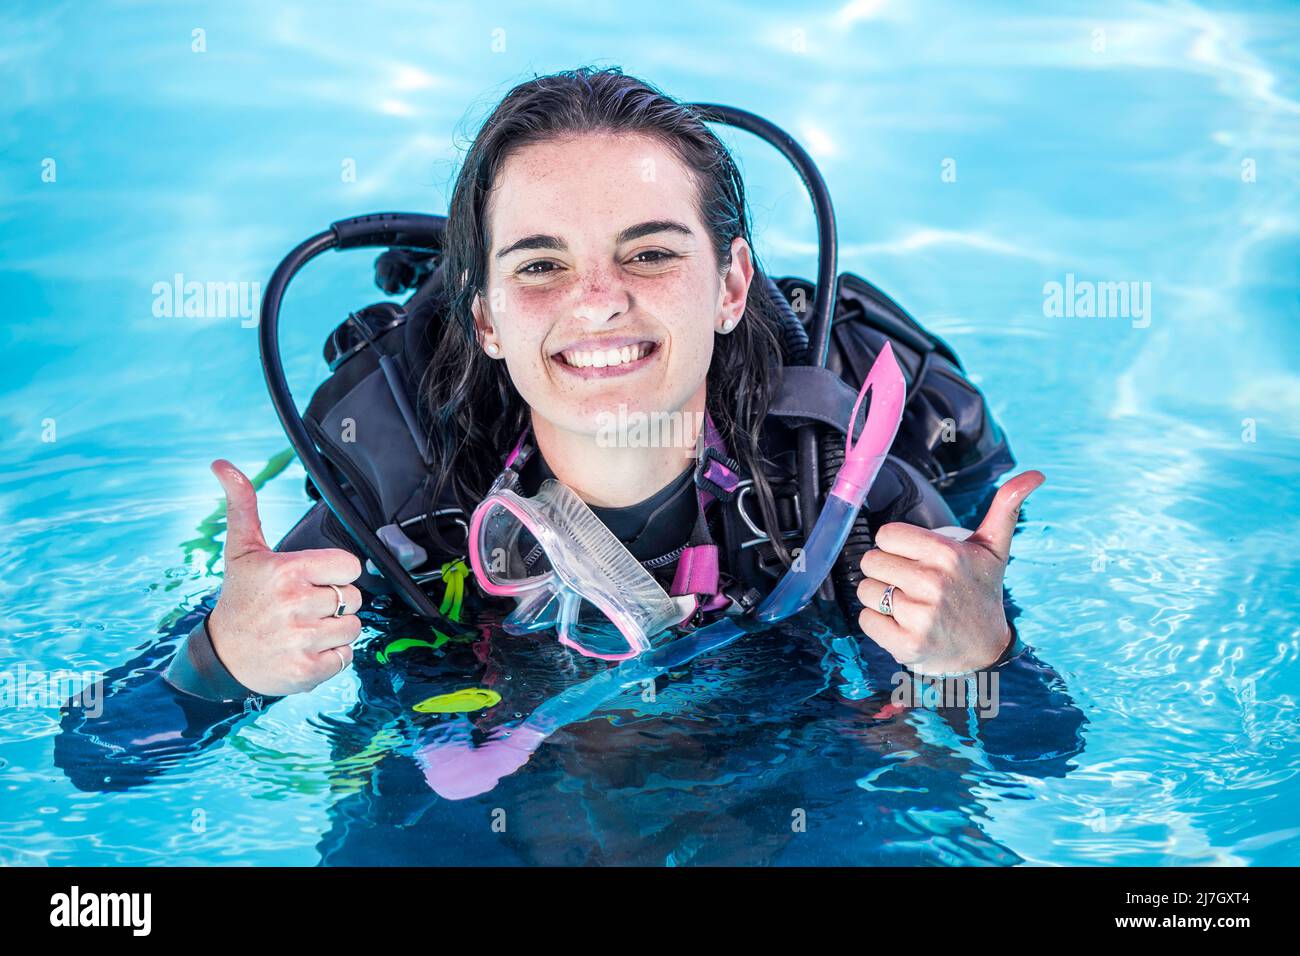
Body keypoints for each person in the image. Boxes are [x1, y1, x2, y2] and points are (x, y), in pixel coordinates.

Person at [58, 69, 1078, 816]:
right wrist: (216, 663)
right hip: (485, 794)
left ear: (730, 286)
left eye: (649, 250)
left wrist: (980, 655)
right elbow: (99, 753)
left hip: (793, 770)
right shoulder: (396, 503)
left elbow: (1039, 753)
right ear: (488, 317)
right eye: (540, 264)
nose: (598, 299)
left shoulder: (847, 492)